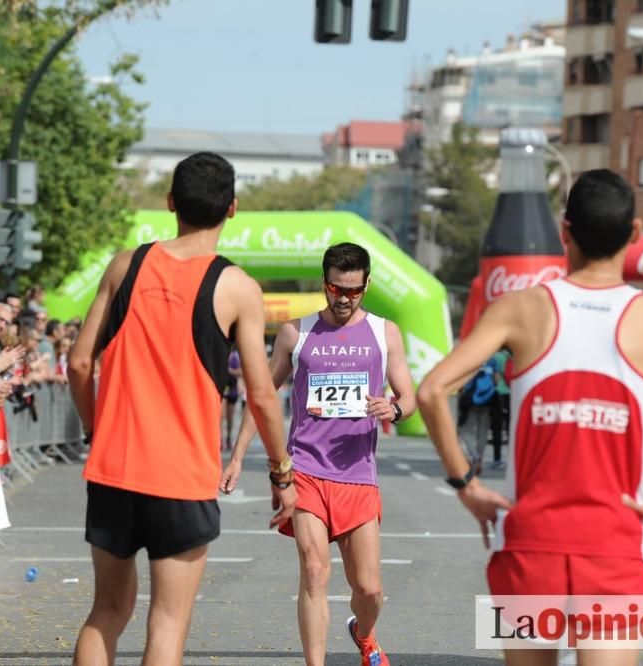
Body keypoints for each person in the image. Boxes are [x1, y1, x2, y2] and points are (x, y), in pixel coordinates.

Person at [417, 169, 643, 665]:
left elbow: (431, 391)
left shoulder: (520, 309)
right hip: (615, 546)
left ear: (564, 231)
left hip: (531, 541)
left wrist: (467, 484)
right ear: (636, 233)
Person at [67, 151, 296, 666]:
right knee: (168, 623)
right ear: (233, 209)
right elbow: (260, 394)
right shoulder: (237, 287)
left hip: (114, 468)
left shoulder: (127, 264)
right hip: (181, 477)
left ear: (171, 202)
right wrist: (282, 473)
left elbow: (80, 363)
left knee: (105, 610)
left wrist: (94, 427)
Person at [223, 242, 416, 666]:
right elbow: (263, 396)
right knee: (314, 572)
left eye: (353, 291)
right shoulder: (297, 332)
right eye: (335, 289)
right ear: (323, 283)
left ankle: (364, 635)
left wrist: (396, 408)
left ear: (366, 285)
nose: (343, 299)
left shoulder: (385, 333)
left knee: (368, 589)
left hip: (357, 475)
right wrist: (237, 455)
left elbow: (408, 396)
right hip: (305, 470)